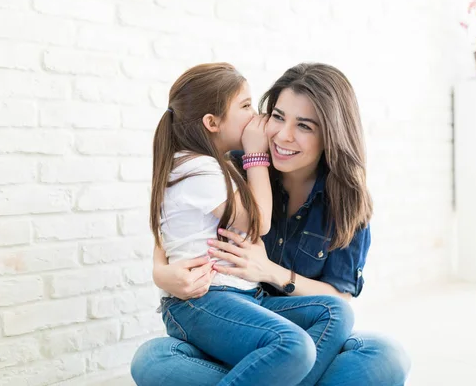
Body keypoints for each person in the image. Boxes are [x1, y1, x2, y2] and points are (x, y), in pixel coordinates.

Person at [131, 63, 411, 385]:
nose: (282, 135)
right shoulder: (240, 162)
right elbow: (174, 216)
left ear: (331, 134)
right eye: (277, 117)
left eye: (304, 126)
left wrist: (268, 271)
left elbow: (337, 297)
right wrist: (160, 271)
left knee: (384, 354)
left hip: (296, 333)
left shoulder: (348, 202)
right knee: (154, 358)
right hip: (238, 329)